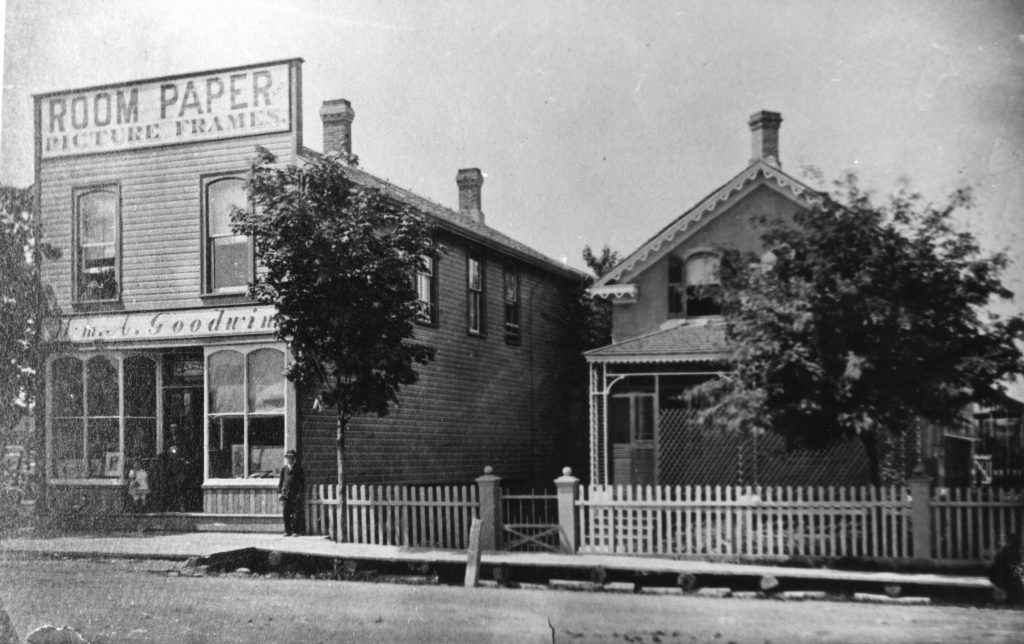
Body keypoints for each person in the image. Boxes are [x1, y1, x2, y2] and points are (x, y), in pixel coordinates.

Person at [278, 449, 305, 536]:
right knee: (286, 512)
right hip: (286, 494)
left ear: (295, 459)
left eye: (292, 458)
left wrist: (300, 493)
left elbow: (302, 483)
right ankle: (287, 530)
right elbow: (281, 482)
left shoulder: (299, 469)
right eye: (288, 458)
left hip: (296, 494)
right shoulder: (284, 469)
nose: (290, 459)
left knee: (296, 513)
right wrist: (279, 492)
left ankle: (295, 531)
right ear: (286, 458)